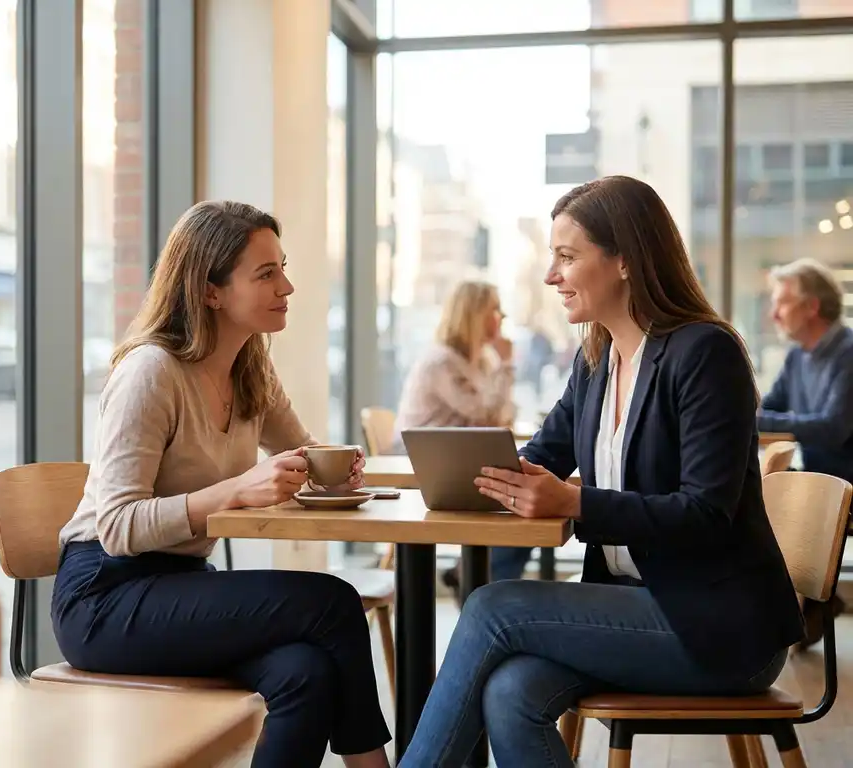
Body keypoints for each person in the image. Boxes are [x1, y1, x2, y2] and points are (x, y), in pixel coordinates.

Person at [398, 176, 804, 768]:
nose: (550, 276)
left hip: (718, 626)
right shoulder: (596, 362)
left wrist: (574, 503)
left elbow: (705, 514)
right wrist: (467, 476)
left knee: (491, 608)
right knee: (511, 692)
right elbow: (539, 458)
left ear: (625, 261)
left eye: (567, 257)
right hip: (632, 608)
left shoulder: (703, 354)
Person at [52, 201, 391, 768]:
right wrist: (234, 491)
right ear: (210, 291)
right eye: (266, 274)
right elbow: (115, 527)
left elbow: (300, 450)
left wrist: (334, 468)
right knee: (332, 602)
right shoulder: (151, 372)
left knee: (304, 670)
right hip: (104, 597)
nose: (287, 287)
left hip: (181, 583)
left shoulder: (250, 367)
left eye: (282, 269)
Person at [391, 280, 533, 587]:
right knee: (514, 498)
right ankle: (483, 583)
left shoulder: (480, 361)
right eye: (494, 309)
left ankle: (476, 578)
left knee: (521, 496)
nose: (502, 316)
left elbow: (501, 416)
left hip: (457, 458)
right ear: (474, 314)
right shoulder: (441, 362)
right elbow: (486, 414)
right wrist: (507, 365)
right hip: (424, 462)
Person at [758, 257, 853, 648]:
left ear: (812, 306)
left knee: (763, 501)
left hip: (844, 485)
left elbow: (834, 428)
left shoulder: (848, 353)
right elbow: (766, 411)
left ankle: (803, 607)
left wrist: (755, 419)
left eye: (782, 303)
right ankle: (807, 607)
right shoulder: (798, 357)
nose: (774, 314)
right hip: (819, 480)